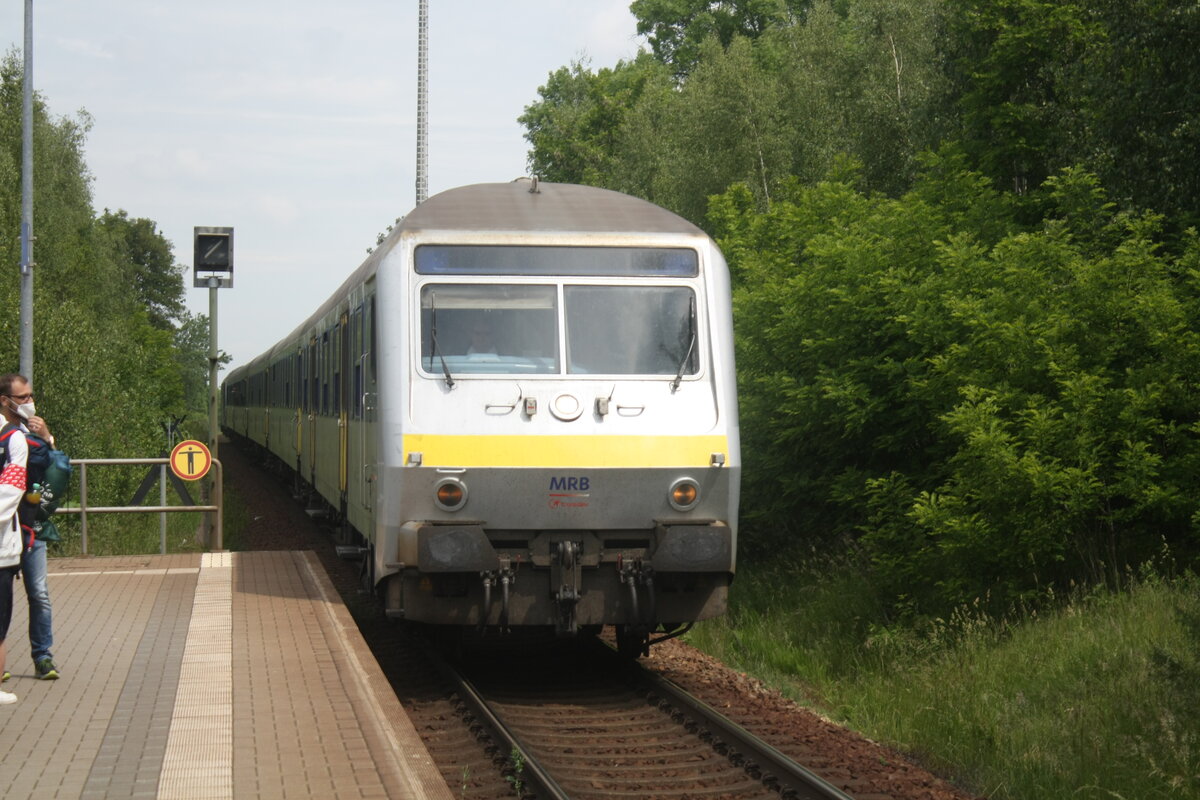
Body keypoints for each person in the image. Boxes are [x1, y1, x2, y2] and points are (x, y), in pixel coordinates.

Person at [0, 374, 58, 685]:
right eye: (22, 398)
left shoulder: (32, 433)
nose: (29, 402)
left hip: (31, 526)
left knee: (38, 593)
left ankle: (42, 656)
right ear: (5, 401)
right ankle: (1, 660)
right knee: (2, 598)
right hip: (7, 529)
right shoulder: (6, 435)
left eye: (29, 396)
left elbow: (55, 467)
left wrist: (47, 435)